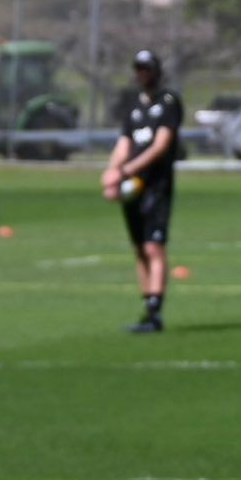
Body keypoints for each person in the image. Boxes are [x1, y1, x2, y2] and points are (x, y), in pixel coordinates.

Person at [101, 49, 182, 333]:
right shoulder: (133, 105)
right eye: (139, 69)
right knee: (139, 249)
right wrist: (112, 172)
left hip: (156, 185)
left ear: (156, 72)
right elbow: (124, 143)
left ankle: (156, 312)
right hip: (132, 187)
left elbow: (161, 146)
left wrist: (126, 170)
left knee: (153, 246)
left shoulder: (169, 102)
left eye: (147, 69)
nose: (142, 74)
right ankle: (147, 308)